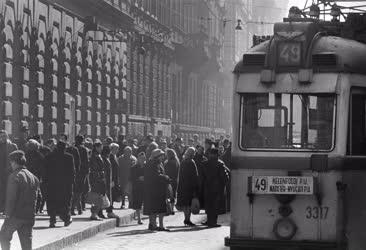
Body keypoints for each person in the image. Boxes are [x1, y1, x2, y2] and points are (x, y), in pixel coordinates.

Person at [0, 151, 39, 250]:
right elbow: (39, 198)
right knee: (26, 244)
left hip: (16, 215)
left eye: (11, 162)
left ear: (14, 162)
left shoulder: (14, 176)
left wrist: (8, 214)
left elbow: (11, 198)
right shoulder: (33, 177)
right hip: (29, 216)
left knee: (4, 235)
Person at [44, 141, 75, 228]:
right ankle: (66, 219)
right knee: (65, 202)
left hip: (51, 184)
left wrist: (45, 182)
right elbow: (72, 172)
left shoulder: (49, 156)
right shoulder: (69, 157)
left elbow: (45, 171)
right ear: (64, 148)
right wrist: (72, 183)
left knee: (52, 201)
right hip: (65, 185)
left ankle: (52, 220)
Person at [143, 149, 171, 231]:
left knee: (155, 208)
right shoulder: (154, 164)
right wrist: (166, 177)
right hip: (156, 189)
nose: (163, 156)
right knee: (159, 208)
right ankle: (158, 225)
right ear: (157, 156)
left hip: (155, 189)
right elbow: (156, 176)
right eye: (161, 155)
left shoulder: (154, 163)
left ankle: (154, 224)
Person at [202, 148, 230, 227]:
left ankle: (208, 220)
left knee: (208, 204)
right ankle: (213, 222)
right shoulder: (220, 163)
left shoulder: (204, 163)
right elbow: (225, 176)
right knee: (215, 205)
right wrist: (225, 183)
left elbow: (201, 177)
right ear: (217, 155)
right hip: (217, 188)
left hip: (207, 187)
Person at [176, 147, 200, 226]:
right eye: (193, 153)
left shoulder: (183, 162)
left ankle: (186, 219)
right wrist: (196, 186)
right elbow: (195, 175)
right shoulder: (191, 162)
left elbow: (180, 175)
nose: (194, 154)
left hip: (183, 186)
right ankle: (187, 219)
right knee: (189, 204)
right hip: (190, 187)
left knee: (185, 204)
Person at [24, 139, 45, 214]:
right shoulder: (39, 155)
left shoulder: (26, 155)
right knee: (37, 193)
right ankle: (36, 209)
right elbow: (43, 167)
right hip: (36, 176)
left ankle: (30, 208)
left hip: (27, 175)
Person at [0, 130, 18, 214]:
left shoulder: (12, 146)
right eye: (1, 136)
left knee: (9, 190)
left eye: (4, 136)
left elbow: (18, 159)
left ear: (7, 136)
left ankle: (7, 208)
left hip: (9, 172)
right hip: (0, 172)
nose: (2, 138)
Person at [89, 140, 107, 220]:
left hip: (98, 178)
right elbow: (95, 169)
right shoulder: (95, 156)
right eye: (100, 147)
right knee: (97, 197)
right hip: (97, 179)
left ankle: (95, 213)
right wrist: (100, 176)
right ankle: (94, 214)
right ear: (96, 147)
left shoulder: (97, 155)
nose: (101, 148)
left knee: (99, 197)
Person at [72, 135, 90, 215]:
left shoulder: (72, 148)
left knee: (75, 190)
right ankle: (75, 208)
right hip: (82, 172)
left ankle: (79, 208)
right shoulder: (83, 149)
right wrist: (87, 172)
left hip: (73, 172)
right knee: (80, 191)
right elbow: (86, 162)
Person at [130, 152, 146, 224]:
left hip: (145, 187)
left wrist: (146, 178)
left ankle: (150, 219)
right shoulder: (134, 167)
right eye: (141, 158)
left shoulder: (147, 167)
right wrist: (138, 178)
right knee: (138, 203)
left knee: (146, 203)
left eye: (143, 158)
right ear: (138, 159)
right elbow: (130, 178)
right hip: (137, 187)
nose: (142, 159)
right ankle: (139, 219)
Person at [164, 149, 180, 214]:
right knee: (173, 195)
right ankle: (172, 209)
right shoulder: (177, 161)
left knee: (168, 194)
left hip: (169, 180)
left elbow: (167, 172)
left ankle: (168, 209)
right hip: (175, 180)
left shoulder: (168, 162)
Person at [193, 145, 207, 210]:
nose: (200, 151)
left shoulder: (204, 158)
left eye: (201, 150)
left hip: (202, 177)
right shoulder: (194, 158)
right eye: (199, 150)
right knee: (197, 191)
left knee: (202, 190)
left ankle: (202, 204)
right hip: (196, 176)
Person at [109, 143, 120, 209]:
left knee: (114, 191)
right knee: (111, 191)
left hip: (115, 177)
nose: (117, 150)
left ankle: (111, 204)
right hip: (112, 177)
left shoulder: (115, 156)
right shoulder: (111, 156)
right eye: (116, 148)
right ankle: (110, 205)